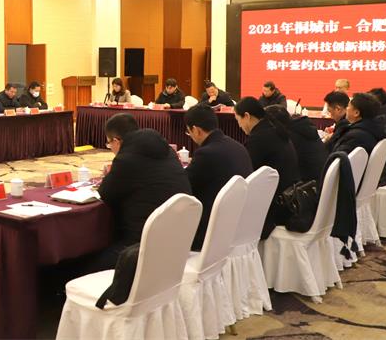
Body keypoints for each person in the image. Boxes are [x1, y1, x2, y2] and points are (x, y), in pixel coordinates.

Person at [94, 113, 191, 270]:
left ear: (116, 141)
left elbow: (105, 193)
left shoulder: (126, 159)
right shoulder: (168, 150)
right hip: (178, 241)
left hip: (141, 247)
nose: (110, 148)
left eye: (109, 144)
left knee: (74, 268)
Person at [184, 105, 253, 250]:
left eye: (189, 132)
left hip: (212, 231)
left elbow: (184, 186)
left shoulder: (206, 153)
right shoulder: (238, 147)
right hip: (240, 223)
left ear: (196, 130)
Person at [235, 97, 300, 236]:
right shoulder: (273, 128)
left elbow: (245, 172)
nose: (239, 125)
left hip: (276, 207)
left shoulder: (259, 137)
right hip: (288, 196)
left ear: (246, 116)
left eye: (238, 120)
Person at [324, 93, 386, 176]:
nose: (346, 109)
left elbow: (335, 163)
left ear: (356, 113)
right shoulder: (371, 130)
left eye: (348, 106)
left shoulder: (356, 137)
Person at [266, 105, 328, 184]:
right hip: (321, 179)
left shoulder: (290, 136)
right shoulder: (303, 127)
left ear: (274, 124)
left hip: (308, 185)